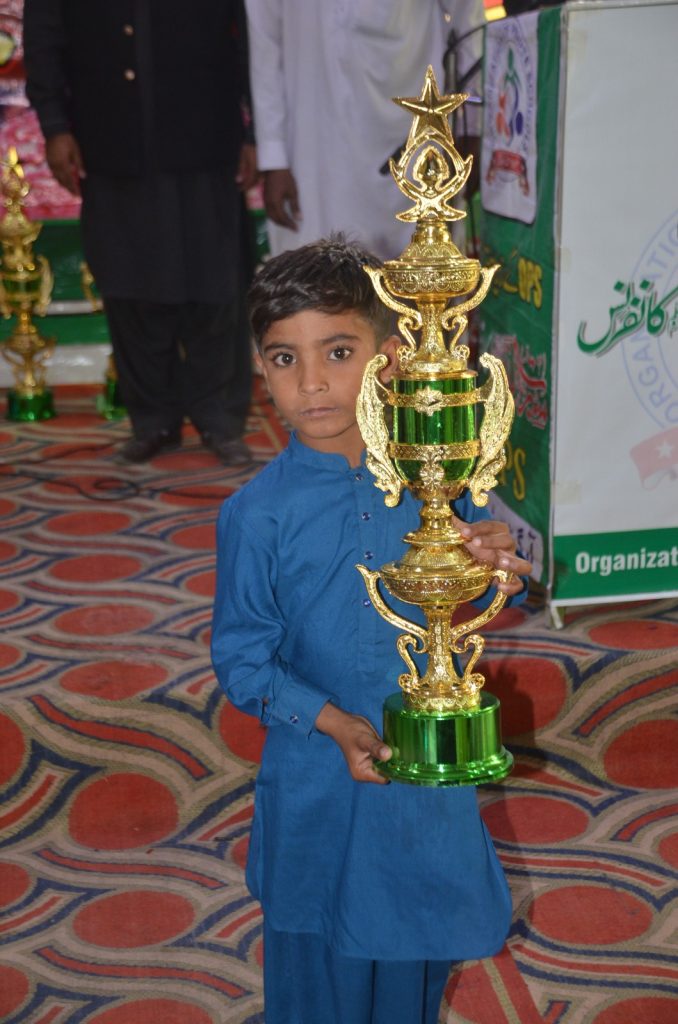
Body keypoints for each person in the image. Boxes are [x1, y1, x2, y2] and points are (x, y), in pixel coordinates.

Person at [211, 237, 532, 1023]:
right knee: (316, 961)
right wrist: (330, 721)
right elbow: (242, 659)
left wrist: (494, 560)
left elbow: (489, 593)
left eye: (338, 351)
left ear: (387, 357)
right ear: (260, 367)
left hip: (421, 774)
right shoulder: (256, 514)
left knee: (413, 953)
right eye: (284, 359)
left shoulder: (437, 484)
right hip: (318, 772)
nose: (313, 382)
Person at [23, 0, 256, 464]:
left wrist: (256, 134)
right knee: (129, 285)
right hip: (110, 137)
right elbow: (44, 36)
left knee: (216, 284)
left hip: (208, 136)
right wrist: (54, 126)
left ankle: (219, 419)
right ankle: (152, 421)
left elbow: (253, 36)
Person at [245, 0, 485, 260]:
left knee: (421, 270)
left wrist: (473, 127)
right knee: (313, 271)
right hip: (312, 150)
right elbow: (265, 39)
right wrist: (274, 158)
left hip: (410, 140)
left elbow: (468, 19)